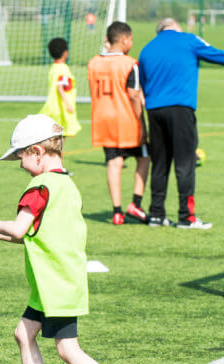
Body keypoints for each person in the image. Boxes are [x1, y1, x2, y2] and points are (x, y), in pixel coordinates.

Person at [0, 114, 146, 364]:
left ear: (38, 152)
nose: (20, 165)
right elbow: (31, 235)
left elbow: (17, 229)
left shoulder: (38, 188)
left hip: (55, 284)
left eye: (21, 157)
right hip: (54, 282)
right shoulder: (65, 184)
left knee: (68, 350)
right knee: (23, 333)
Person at [139, 18, 224, 229]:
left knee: (160, 163)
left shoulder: (147, 49)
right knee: (185, 163)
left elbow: (142, 85)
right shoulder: (188, 40)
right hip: (180, 109)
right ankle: (186, 217)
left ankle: (156, 214)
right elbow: (216, 54)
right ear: (176, 27)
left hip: (154, 111)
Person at [87, 21, 150, 226]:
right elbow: (133, 95)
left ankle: (116, 211)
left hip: (102, 119)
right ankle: (136, 203)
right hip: (126, 120)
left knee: (114, 163)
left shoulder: (93, 63)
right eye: (130, 39)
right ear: (124, 40)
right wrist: (141, 123)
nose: (131, 43)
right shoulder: (129, 63)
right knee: (144, 157)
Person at [39, 38, 82, 137]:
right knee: (59, 142)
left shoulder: (53, 68)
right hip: (61, 110)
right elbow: (60, 87)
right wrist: (67, 104)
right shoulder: (63, 68)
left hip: (53, 107)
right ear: (65, 53)